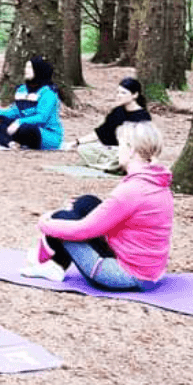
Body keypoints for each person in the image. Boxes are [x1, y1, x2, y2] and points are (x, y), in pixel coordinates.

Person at [23, 121, 173, 291]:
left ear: (131, 150)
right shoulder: (157, 182)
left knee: (61, 218)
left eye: (120, 145)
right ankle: (53, 265)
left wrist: (45, 223)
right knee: (86, 203)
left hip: (125, 275)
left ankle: (48, 261)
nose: (116, 150)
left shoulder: (132, 190)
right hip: (148, 271)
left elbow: (83, 230)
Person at [72, 77, 151, 172]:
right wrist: (77, 142)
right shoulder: (117, 112)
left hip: (129, 152)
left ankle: (111, 165)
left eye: (123, 93)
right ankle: (109, 165)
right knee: (83, 148)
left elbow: (142, 144)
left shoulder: (143, 116)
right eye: (118, 92)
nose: (119, 96)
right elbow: (101, 132)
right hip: (111, 151)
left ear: (135, 95)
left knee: (124, 159)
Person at [0, 56, 63, 150]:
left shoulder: (48, 93)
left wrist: (19, 122)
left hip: (46, 135)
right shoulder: (22, 89)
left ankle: (6, 139)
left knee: (28, 129)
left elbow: (42, 118)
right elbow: (16, 111)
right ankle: (10, 143)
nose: (26, 70)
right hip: (23, 127)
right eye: (26, 67)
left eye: (30, 68)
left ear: (39, 70)